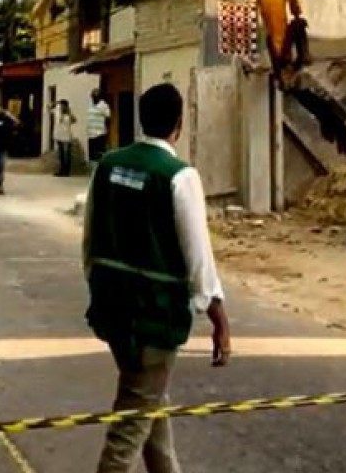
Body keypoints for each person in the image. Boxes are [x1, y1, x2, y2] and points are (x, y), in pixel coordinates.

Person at [83, 82, 230, 473]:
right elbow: (199, 257)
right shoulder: (179, 176)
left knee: (149, 404)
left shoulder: (109, 165)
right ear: (178, 125)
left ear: (140, 119)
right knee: (128, 431)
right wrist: (218, 318)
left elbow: (89, 241)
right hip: (154, 319)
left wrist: (101, 287)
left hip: (112, 311)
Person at [87, 89, 111, 165]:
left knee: (99, 153)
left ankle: (100, 168)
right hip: (91, 133)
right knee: (92, 155)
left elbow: (108, 116)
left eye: (96, 96)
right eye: (93, 96)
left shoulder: (103, 105)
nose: (94, 97)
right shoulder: (90, 105)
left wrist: (107, 130)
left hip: (99, 133)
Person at [53, 99, 76, 177]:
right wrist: (56, 104)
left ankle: (67, 171)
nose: (61, 107)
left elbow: (74, 120)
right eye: (60, 105)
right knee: (61, 154)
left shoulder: (68, 114)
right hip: (59, 135)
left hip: (66, 136)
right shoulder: (57, 112)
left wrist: (69, 113)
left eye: (63, 105)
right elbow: (50, 107)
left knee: (66, 154)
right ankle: (61, 170)